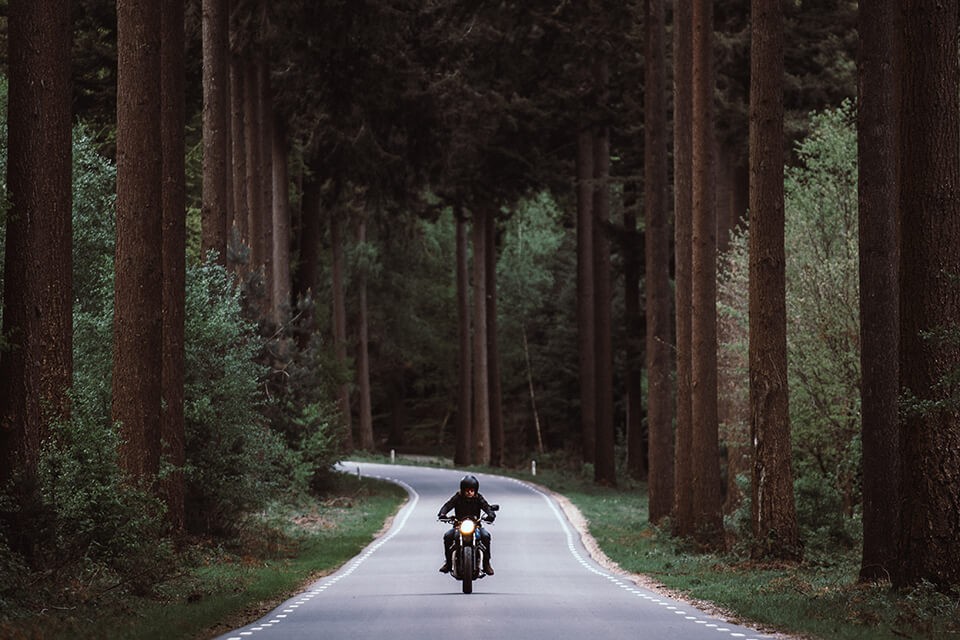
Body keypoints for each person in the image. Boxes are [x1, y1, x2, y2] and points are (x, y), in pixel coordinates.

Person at [437, 474, 496, 575]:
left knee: (486, 536)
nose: (469, 492)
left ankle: (486, 564)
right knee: (448, 536)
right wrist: (442, 513)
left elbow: (486, 507)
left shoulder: (479, 498)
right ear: (463, 490)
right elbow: (448, 505)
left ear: (475, 491)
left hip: (476, 526)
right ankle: (448, 563)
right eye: (467, 490)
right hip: (459, 526)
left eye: (472, 490)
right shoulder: (457, 497)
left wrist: (491, 515)